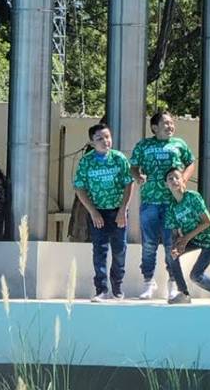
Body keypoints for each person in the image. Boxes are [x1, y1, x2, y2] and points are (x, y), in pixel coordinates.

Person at [130, 111, 195, 299]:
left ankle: (173, 282)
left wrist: (183, 178)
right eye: (165, 124)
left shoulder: (179, 144)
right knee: (149, 244)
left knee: (171, 244)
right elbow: (133, 166)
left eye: (171, 123)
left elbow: (191, 163)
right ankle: (148, 282)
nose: (170, 126)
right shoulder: (144, 145)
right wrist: (137, 176)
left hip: (172, 202)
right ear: (154, 127)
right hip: (150, 201)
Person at [72, 121, 134, 302]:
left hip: (117, 211)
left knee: (119, 249)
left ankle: (117, 287)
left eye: (107, 137)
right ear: (92, 142)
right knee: (99, 249)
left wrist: (123, 209)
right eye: (100, 138)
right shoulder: (86, 162)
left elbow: (128, 184)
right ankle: (101, 289)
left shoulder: (119, 158)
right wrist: (92, 211)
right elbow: (79, 188)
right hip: (97, 211)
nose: (105, 141)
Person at [163, 167, 210, 304]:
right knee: (171, 255)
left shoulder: (193, 197)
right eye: (170, 179)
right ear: (166, 184)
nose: (174, 180)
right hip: (194, 238)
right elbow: (176, 234)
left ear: (184, 180)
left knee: (195, 275)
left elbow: (206, 222)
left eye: (177, 177)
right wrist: (178, 246)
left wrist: (186, 239)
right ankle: (184, 293)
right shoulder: (171, 207)